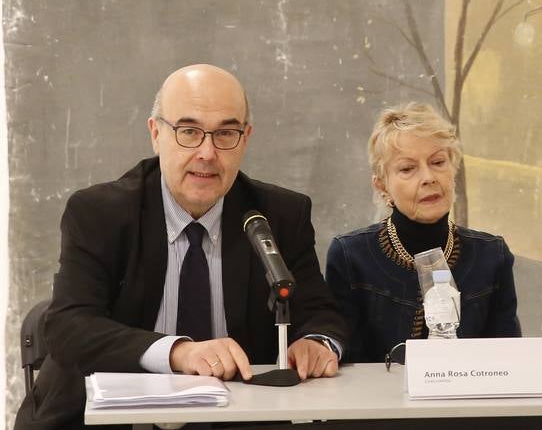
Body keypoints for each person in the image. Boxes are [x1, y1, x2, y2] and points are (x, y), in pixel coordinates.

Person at [16, 64, 346, 430]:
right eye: (189, 131)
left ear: (246, 138)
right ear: (156, 134)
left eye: (225, 133)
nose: (207, 152)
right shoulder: (99, 213)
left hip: (236, 418)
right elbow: (68, 326)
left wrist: (317, 342)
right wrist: (178, 351)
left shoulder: (279, 215)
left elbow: (319, 311)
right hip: (103, 420)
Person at [326, 103, 520, 362]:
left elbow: (510, 360)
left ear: (454, 170)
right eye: (407, 169)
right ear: (382, 185)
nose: (428, 177)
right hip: (379, 399)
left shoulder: (491, 255)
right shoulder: (351, 256)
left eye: (438, 162)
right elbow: (347, 367)